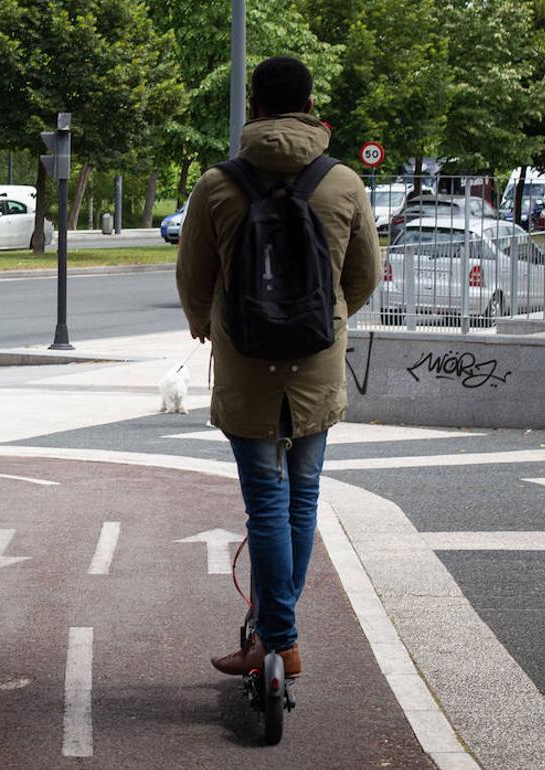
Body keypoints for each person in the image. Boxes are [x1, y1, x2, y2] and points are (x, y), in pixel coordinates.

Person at [176, 56, 381, 679]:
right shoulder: (343, 182)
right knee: (302, 498)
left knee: (265, 503)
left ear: (255, 108)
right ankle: (280, 638)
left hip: (244, 364)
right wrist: (329, 317)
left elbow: (194, 279)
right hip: (317, 360)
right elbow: (365, 274)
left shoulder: (218, 184)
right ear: (310, 104)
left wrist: (210, 329)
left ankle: (278, 638)